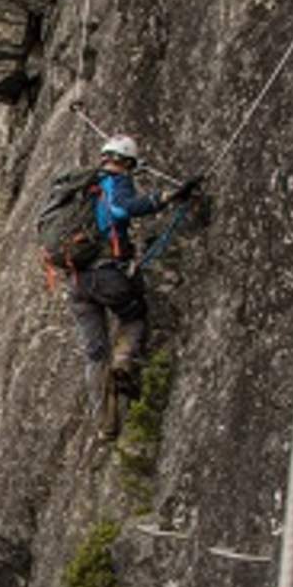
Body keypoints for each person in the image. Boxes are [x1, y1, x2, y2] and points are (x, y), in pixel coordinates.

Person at [71, 134, 198, 438]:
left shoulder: (79, 189)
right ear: (125, 162)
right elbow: (120, 210)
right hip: (108, 276)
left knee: (94, 354)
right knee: (133, 316)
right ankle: (125, 361)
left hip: (77, 281)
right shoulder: (115, 181)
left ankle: (104, 425)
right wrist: (165, 197)